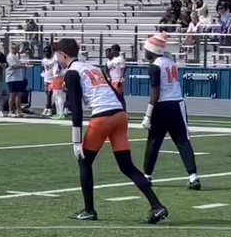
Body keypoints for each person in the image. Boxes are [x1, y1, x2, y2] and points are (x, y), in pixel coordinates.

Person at [56, 37, 167, 224]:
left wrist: (76, 140)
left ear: (62, 54)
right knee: (126, 166)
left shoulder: (72, 72)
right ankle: (157, 206)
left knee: (84, 162)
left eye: (57, 54)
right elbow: (113, 92)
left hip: (103, 117)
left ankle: (89, 210)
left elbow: (76, 108)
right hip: (119, 114)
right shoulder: (93, 67)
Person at [140, 33, 201, 190]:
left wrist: (148, 114)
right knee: (183, 141)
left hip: (162, 106)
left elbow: (156, 91)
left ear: (152, 50)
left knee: (154, 141)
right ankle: (193, 177)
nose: (144, 52)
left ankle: (147, 176)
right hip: (177, 104)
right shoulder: (171, 62)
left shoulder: (155, 66)